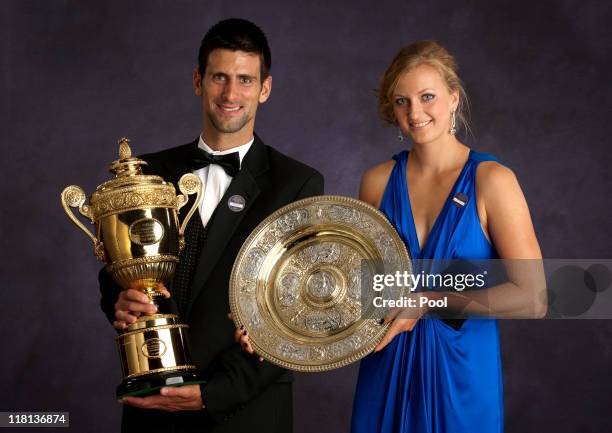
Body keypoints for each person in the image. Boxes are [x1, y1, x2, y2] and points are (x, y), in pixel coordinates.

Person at [98, 18, 324, 433]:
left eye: (245, 80)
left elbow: (299, 315)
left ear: (265, 88)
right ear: (198, 80)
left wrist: (211, 394)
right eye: (219, 77)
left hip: (246, 413)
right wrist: (120, 300)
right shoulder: (146, 174)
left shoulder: (297, 184)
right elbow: (115, 273)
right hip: (153, 410)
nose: (231, 94)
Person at [348, 41, 546, 433]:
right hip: (386, 370)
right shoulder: (376, 182)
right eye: (402, 101)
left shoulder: (493, 181)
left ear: (453, 98)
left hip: (461, 375)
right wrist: (276, 321)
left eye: (427, 97)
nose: (415, 112)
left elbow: (534, 297)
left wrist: (427, 301)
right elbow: (362, 288)